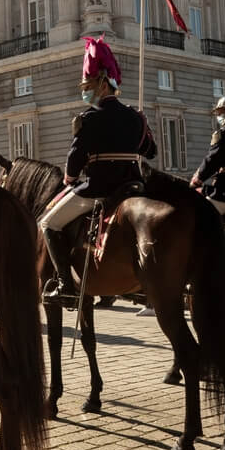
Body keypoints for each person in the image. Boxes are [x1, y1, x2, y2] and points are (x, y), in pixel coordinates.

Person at [40, 36, 157, 310]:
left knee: (49, 223)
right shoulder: (134, 117)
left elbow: (75, 157)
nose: (86, 91)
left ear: (104, 84)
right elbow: (150, 152)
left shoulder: (89, 118)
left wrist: (69, 179)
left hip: (98, 188)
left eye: (89, 86)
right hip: (133, 186)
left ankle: (65, 286)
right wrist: (143, 124)